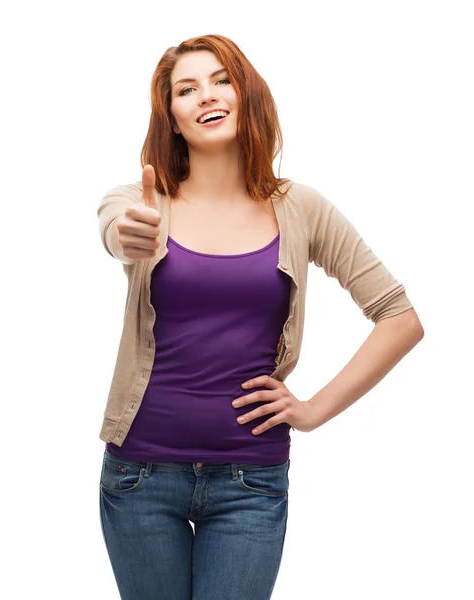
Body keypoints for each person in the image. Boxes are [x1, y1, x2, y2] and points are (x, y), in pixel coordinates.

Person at [97, 34, 424, 600]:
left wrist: (314, 409)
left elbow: (399, 316)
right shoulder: (142, 201)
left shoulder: (301, 207)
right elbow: (114, 227)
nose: (206, 96)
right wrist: (127, 234)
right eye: (186, 89)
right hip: (140, 477)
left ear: (246, 95)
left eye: (221, 80)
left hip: (250, 481)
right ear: (172, 118)